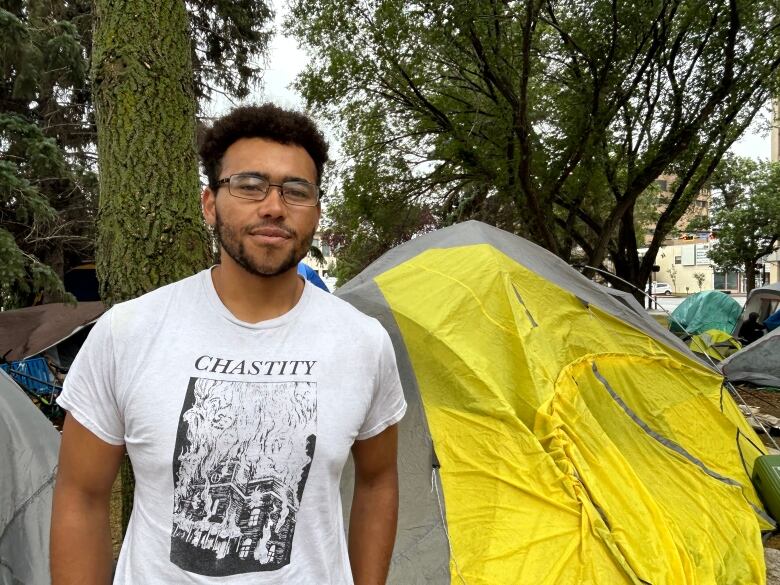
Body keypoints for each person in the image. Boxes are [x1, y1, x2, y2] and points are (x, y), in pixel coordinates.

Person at [51, 104, 407, 585]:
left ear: (316, 211)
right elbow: (81, 496)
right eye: (249, 185)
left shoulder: (363, 343)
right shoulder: (128, 332)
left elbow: (379, 480)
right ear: (210, 204)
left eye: (295, 191)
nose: (274, 207)